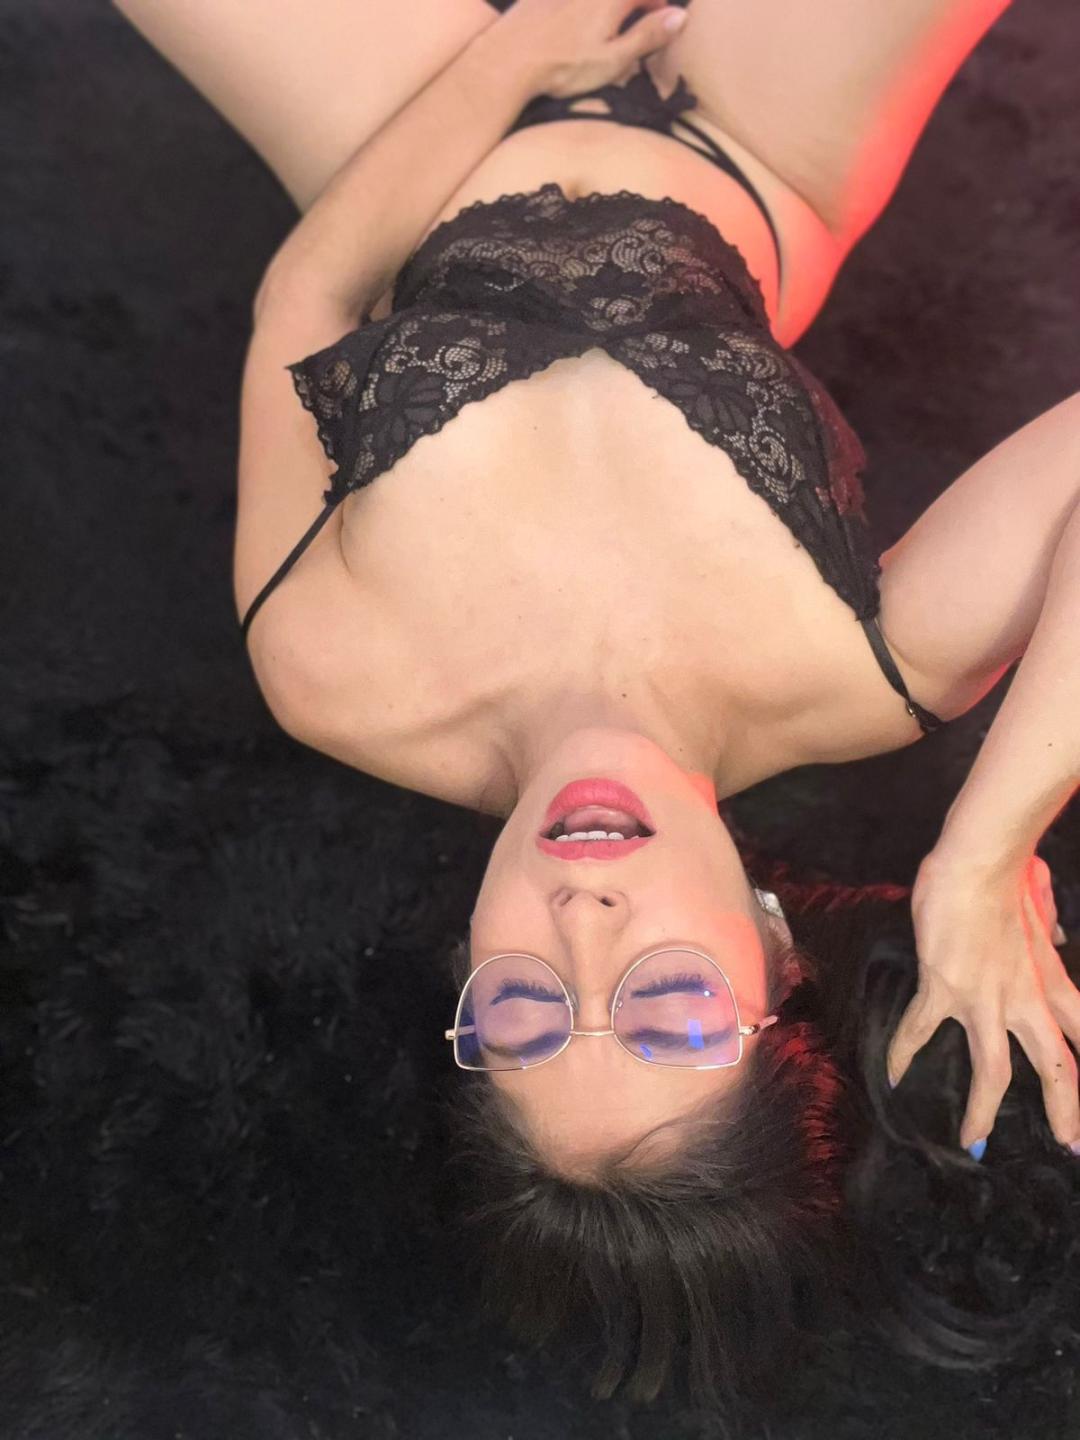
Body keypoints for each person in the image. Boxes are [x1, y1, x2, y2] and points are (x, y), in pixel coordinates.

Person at [112, 0, 1080, 1410]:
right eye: (669, 1009)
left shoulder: (334, 677)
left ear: (466, 974)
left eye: (524, 1010)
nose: (584, 925)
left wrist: (514, 60)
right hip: (754, 138)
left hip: (413, 130)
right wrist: (986, 850)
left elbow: (305, 309)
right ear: (773, 960)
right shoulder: (868, 678)